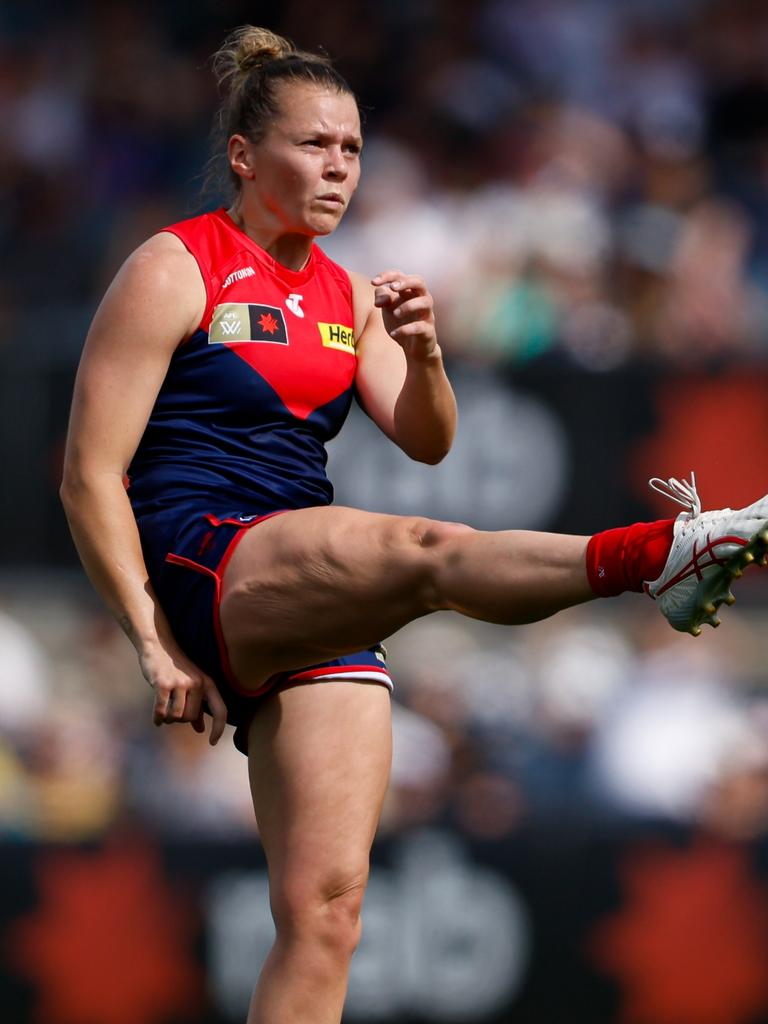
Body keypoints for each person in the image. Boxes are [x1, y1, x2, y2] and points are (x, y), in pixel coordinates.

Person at [59, 25, 768, 1024]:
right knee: (426, 552)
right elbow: (89, 475)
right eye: (314, 145)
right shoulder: (176, 266)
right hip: (202, 552)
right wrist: (153, 644)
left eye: (352, 149)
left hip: (295, 576)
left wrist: (427, 355)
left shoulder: (349, 292)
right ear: (244, 155)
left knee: (330, 913)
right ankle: (666, 553)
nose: (339, 167)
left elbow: (429, 442)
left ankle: (667, 560)